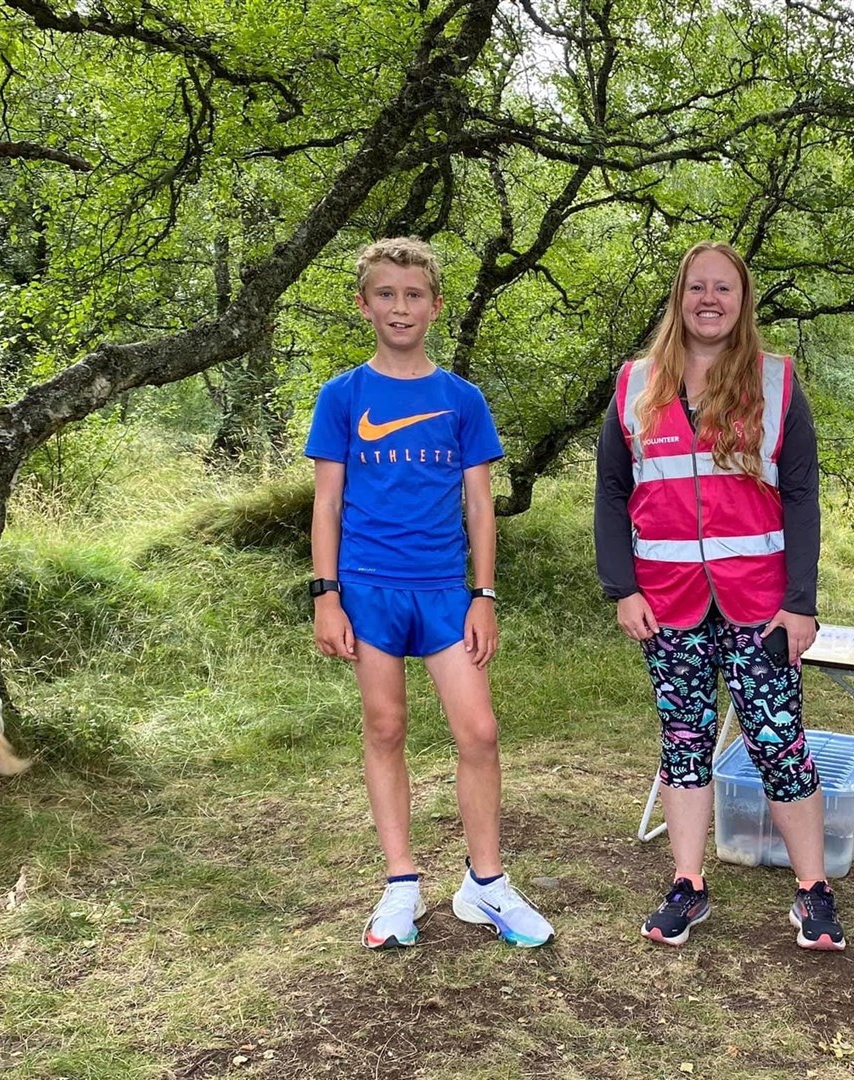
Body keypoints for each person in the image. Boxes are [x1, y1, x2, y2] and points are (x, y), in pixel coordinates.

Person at [594, 241, 845, 951]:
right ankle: (688, 883)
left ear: (742, 301)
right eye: (698, 287)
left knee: (778, 743)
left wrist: (801, 602)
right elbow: (613, 492)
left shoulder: (775, 380)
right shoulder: (634, 384)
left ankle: (812, 891)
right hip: (668, 603)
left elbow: (801, 496)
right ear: (680, 296)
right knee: (683, 743)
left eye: (724, 289)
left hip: (760, 607)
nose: (710, 299)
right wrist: (622, 588)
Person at [306, 236, 553, 951]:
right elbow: (326, 503)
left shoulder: (460, 399)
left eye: (413, 295)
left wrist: (485, 594)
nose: (400, 307)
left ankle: (486, 886)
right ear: (364, 305)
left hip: (447, 591)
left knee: (479, 731)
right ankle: (400, 886)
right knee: (385, 729)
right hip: (368, 589)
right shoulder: (344, 396)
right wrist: (326, 595)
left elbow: (480, 504)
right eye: (385, 294)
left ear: (435, 306)